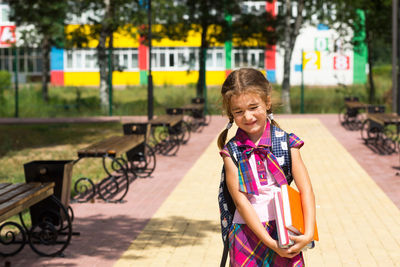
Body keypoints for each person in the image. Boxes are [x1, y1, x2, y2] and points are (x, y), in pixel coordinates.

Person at [218, 68, 316, 266]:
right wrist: (270, 242)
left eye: (254, 107)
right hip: (246, 233)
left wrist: (308, 234)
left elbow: (306, 191)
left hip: (286, 231)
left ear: (267, 102)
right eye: (239, 111)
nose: (248, 117)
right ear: (231, 114)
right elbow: (241, 202)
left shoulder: (288, 144)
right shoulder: (231, 152)